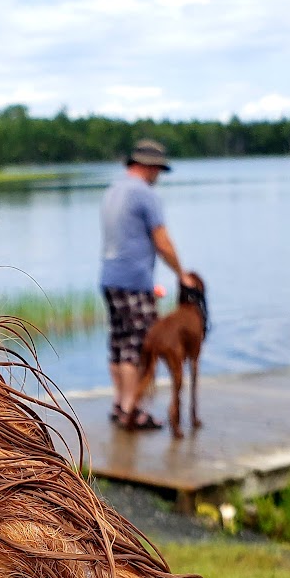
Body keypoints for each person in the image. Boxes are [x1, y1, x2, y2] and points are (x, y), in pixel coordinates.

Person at [100, 138, 193, 430]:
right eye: (158, 170)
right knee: (138, 348)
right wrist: (182, 274)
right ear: (148, 167)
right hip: (134, 281)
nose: (158, 177)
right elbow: (162, 242)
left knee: (117, 344)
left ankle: (119, 405)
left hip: (109, 278)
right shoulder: (145, 195)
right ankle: (132, 410)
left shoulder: (113, 190)